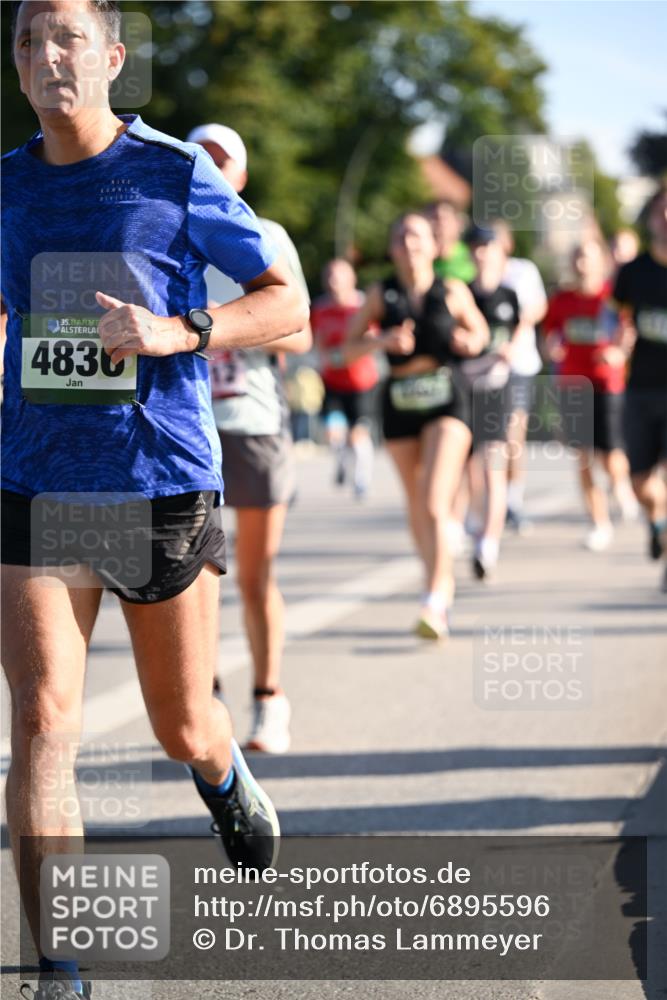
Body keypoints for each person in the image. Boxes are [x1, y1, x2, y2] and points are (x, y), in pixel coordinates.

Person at [1, 4, 308, 997]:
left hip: (157, 483)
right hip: (35, 481)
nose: (47, 56)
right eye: (28, 41)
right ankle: (59, 967)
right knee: (42, 723)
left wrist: (180, 330)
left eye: (67, 37)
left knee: (181, 724)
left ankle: (220, 770)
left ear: (112, 58)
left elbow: (286, 300)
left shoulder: (174, 172)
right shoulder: (4, 186)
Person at [187, 123, 312, 754]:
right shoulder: (169, 229)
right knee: (194, 575)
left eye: (222, 161)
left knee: (255, 575)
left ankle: (269, 697)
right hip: (188, 428)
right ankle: (205, 701)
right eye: (200, 158)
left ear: (241, 174)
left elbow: (301, 332)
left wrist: (219, 329)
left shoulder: (266, 236)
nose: (211, 168)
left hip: (254, 423)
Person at [346, 212, 488, 638]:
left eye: (417, 235)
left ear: (434, 245)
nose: (409, 243)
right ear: (392, 248)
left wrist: (468, 341)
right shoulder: (381, 293)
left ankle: (436, 597)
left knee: (434, 500)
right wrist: (381, 341)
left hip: (447, 399)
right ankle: (436, 581)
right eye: (401, 236)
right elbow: (346, 349)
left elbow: (480, 334)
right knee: (416, 504)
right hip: (400, 401)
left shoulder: (453, 289)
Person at [544, 239, 638, 551]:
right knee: (583, 457)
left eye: (588, 257)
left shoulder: (612, 298)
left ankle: (621, 483)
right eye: (577, 257)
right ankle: (599, 523)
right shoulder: (561, 300)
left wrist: (618, 353)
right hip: (573, 385)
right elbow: (551, 333)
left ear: (601, 262)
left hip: (606, 384)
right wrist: (551, 346)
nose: (582, 263)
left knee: (611, 456)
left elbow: (628, 332)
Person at [610, 181, 667, 589]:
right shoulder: (633, 272)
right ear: (650, 219)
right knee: (640, 483)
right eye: (661, 210)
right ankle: (658, 521)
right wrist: (618, 340)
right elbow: (615, 318)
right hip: (641, 388)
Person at [463, 226, 522, 579]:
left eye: (488, 247)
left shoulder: (509, 295)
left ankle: (489, 543)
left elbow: (519, 334)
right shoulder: (463, 293)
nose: (482, 253)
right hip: (464, 389)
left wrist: (510, 350)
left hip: (496, 389)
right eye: (476, 247)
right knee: (469, 470)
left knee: (493, 467)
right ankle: (473, 521)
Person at [492, 220, 548, 533]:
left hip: (519, 365)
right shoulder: (475, 276)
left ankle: (513, 501)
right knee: (488, 439)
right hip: (485, 369)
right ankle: (490, 501)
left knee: (513, 434)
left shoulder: (523, 271)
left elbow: (539, 307)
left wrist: (519, 326)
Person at [311, 259, 378, 498]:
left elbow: (372, 340)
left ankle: (362, 480)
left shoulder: (363, 306)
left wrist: (345, 356)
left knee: (358, 434)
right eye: (330, 276)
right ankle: (341, 463)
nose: (334, 281)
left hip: (361, 383)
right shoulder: (320, 309)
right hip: (332, 382)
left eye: (339, 276)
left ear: (352, 279)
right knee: (334, 433)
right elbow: (316, 339)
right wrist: (323, 358)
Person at [427, 200, 477, 283]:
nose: (440, 224)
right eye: (434, 218)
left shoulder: (472, 256)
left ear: (458, 223)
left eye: (444, 219)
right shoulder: (419, 259)